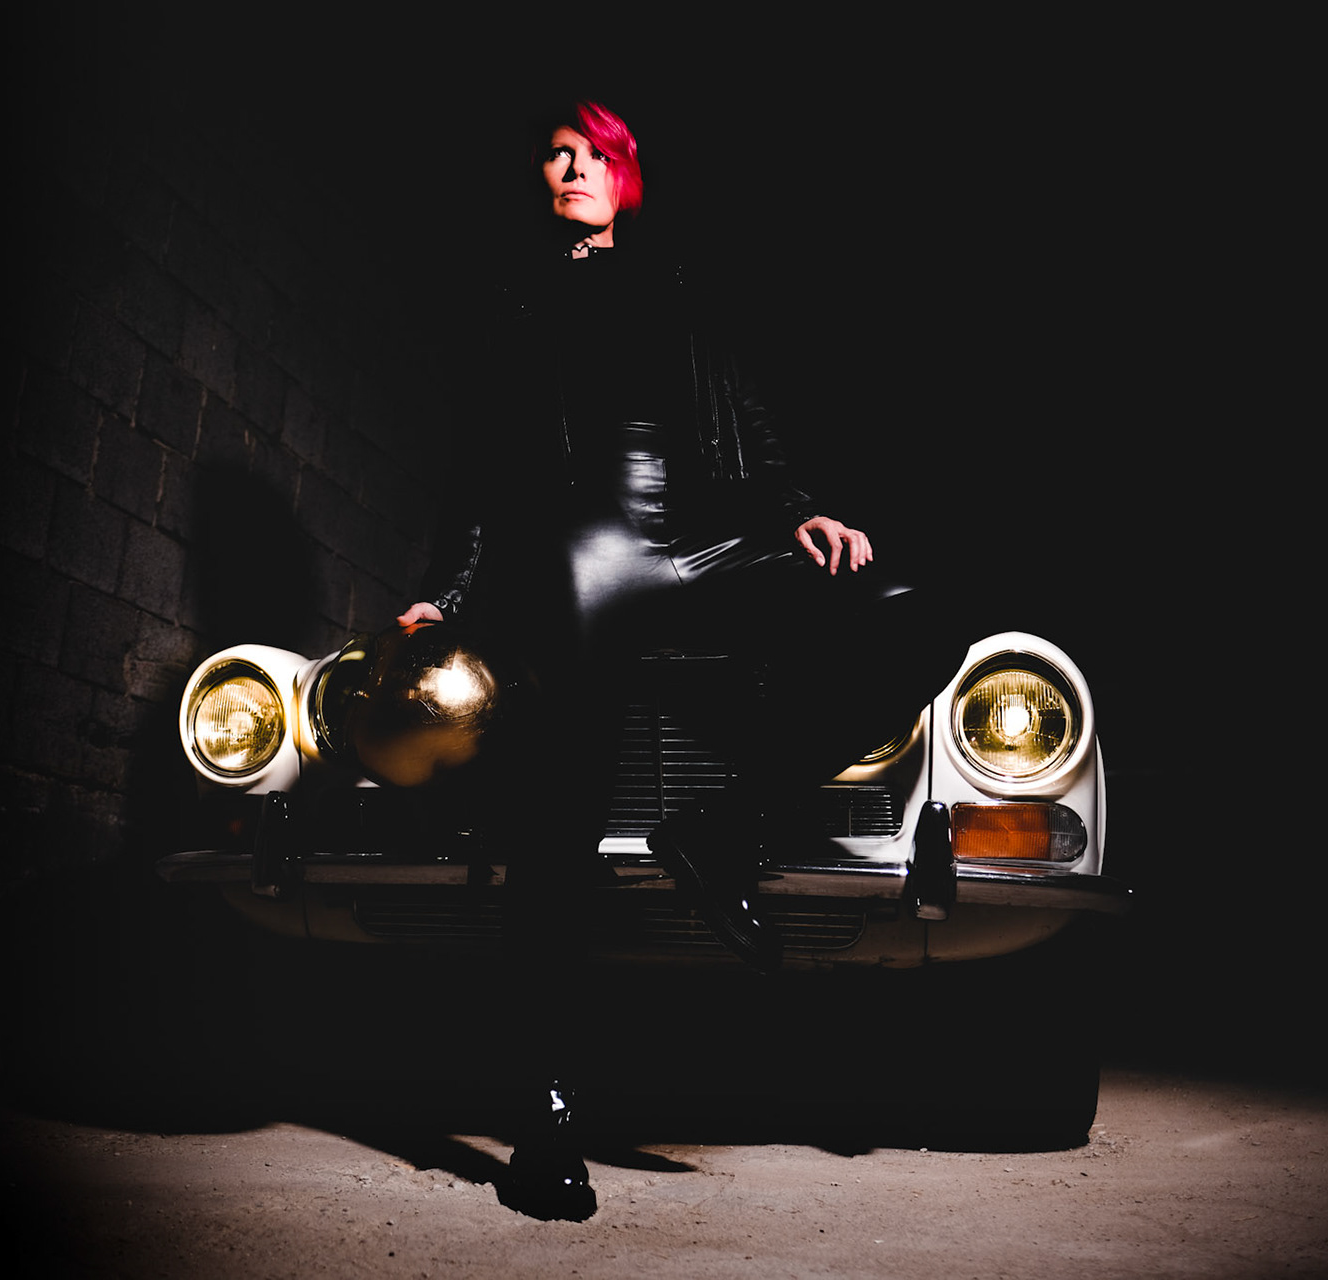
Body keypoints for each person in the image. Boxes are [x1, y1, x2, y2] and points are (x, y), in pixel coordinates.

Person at [395, 99, 950, 1220]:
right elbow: (480, 467)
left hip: (695, 543)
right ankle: (548, 1117)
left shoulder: (677, 282)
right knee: (560, 827)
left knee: (913, 614)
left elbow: (741, 406)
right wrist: (445, 591)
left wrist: (796, 510)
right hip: (581, 553)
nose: (569, 168)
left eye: (589, 154)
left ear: (624, 171)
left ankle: (722, 828)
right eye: (554, 157)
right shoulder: (513, 297)